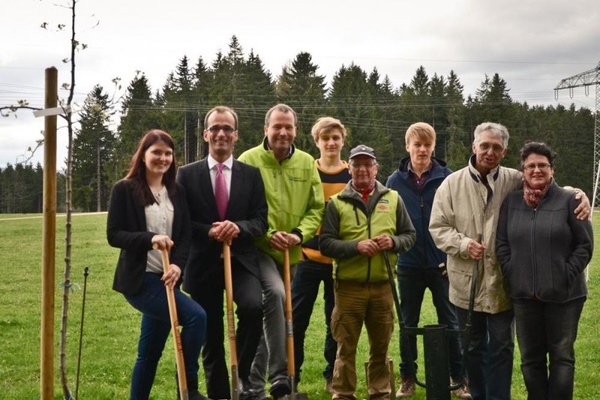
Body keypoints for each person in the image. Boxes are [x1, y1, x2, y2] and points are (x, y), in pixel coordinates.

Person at [429, 122, 590, 400]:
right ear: (474, 146)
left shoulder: (513, 179)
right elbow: (437, 227)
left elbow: (548, 185)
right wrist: (463, 244)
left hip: (502, 285)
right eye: (485, 145)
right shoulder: (451, 184)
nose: (489, 152)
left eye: (496, 147)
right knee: (473, 346)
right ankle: (479, 394)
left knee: (502, 348)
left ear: (503, 152)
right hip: (467, 283)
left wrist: (578, 193)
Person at [106, 129, 208, 400]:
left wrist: (177, 266)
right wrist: (151, 239)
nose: (162, 158)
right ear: (143, 156)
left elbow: (184, 235)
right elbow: (114, 235)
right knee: (197, 317)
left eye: (167, 153)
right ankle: (189, 388)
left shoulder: (177, 191)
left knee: (149, 353)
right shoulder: (125, 189)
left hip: (167, 278)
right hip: (141, 281)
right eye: (156, 152)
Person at [177, 106, 267, 400]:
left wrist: (237, 227)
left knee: (254, 307)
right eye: (215, 128)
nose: (221, 134)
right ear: (205, 134)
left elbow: (260, 221)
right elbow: (182, 222)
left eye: (227, 128)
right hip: (203, 263)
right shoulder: (186, 175)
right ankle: (219, 393)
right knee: (212, 332)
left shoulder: (251, 175)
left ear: (236, 135)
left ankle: (239, 375)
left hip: (240, 260)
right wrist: (209, 231)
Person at [238, 104, 325, 400]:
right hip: (257, 249)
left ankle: (253, 386)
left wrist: (299, 234)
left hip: (292, 251)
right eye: (277, 126)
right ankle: (279, 376)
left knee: (274, 316)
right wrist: (268, 235)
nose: (283, 132)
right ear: (266, 129)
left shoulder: (305, 163)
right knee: (275, 295)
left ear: (296, 131)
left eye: (288, 127)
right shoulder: (248, 160)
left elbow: (316, 207)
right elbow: (242, 208)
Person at [496, 142, 593, 400]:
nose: (537, 170)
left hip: (565, 297)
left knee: (562, 357)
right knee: (530, 359)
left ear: (552, 169)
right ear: (523, 170)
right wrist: (514, 272)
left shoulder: (570, 200)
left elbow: (584, 245)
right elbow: (502, 244)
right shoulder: (512, 201)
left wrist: (564, 275)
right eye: (531, 166)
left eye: (543, 165)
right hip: (525, 297)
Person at [320, 144, 416, 400]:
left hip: (383, 285)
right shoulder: (337, 203)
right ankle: (342, 393)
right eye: (357, 164)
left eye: (367, 164)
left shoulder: (393, 198)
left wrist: (393, 242)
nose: (362, 169)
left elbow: (410, 236)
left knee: (381, 346)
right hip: (348, 288)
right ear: (349, 168)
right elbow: (326, 243)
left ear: (376, 168)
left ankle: (381, 392)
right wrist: (355, 247)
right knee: (345, 346)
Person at [385, 122, 470, 399]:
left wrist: (452, 253)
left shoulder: (448, 177)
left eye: (427, 145)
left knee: (452, 322)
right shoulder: (394, 181)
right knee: (407, 323)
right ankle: (408, 377)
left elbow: (460, 217)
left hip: (443, 265)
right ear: (407, 146)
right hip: (408, 265)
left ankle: (459, 378)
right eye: (417, 144)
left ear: (433, 147)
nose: (422, 149)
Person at [292, 117, 351, 395]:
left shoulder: (351, 175)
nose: (331, 143)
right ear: (316, 141)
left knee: (335, 322)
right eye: (325, 138)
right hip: (306, 260)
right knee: (296, 321)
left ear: (342, 141)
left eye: (335, 138)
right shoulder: (307, 171)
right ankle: (292, 376)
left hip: (339, 264)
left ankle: (332, 376)